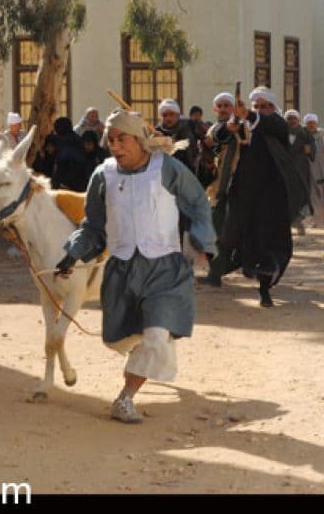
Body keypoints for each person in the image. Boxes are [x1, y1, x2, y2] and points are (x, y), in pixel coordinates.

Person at [54, 109, 216, 423]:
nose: (115, 146)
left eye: (122, 139)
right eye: (110, 140)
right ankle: (145, 355)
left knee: (156, 335)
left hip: (165, 270)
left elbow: (198, 204)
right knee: (126, 338)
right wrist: (73, 253)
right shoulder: (104, 175)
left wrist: (200, 242)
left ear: (140, 141)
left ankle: (125, 398)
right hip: (123, 272)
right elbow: (94, 226)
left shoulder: (167, 168)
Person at [210, 86, 308, 307]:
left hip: (271, 198)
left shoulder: (277, 125)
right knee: (231, 235)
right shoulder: (243, 126)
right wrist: (230, 126)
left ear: (274, 108)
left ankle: (265, 290)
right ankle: (218, 272)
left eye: (266, 106)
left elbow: (269, 124)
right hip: (242, 195)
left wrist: (249, 115)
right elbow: (218, 136)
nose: (261, 110)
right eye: (257, 106)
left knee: (267, 243)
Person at [199, 92, 238, 287]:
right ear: (215, 109)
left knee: (236, 232)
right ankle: (215, 273)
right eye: (220, 106)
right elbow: (212, 140)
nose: (223, 109)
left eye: (227, 106)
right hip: (218, 189)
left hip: (239, 187)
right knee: (214, 230)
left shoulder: (242, 128)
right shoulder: (216, 128)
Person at [284, 109, 315, 235]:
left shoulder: (304, 133)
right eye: (289, 118)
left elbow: (312, 147)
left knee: (302, 195)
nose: (292, 121)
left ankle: (298, 220)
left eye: (294, 118)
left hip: (301, 169)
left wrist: (310, 150)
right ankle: (292, 222)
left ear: (298, 119)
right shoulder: (282, 133)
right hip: (286, 168)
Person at [304, 113, 324, 228]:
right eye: (309, 123)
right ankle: (315, 220)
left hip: (322, 168)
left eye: (313, 123)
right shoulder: (303, 135)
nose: (311, 125)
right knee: (312, 195)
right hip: (309, 167)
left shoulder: (322, 134)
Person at [154, 99, 198, 173]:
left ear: (177, 115)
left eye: (171, 114)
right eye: (165, 115)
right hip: (167, 171)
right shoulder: (157, 131)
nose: (168, 118)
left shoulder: (189, 126)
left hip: (189, 169)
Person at [51, 117, 90, 192]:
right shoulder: (76, 138)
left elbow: (74, 162)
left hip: (70, 185)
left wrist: (65, 182)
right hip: (80, 182)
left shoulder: (67, 141)